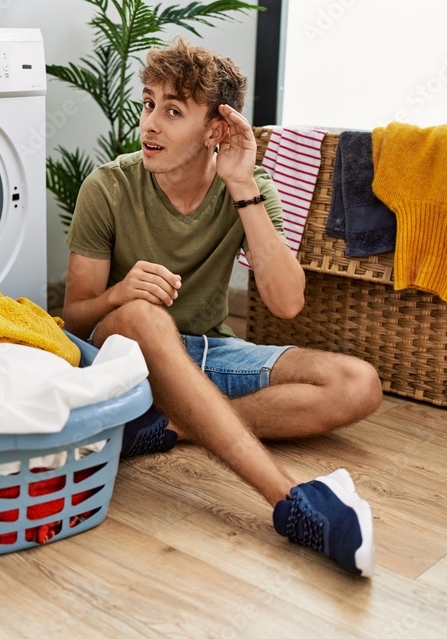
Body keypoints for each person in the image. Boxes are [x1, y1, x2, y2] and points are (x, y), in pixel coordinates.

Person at [61, 38, 383, 577]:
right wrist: (122, 293)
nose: (150, 125)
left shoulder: (248, 187)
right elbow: (73, 318)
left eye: (173, 111)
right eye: (148, 104)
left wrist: (241, 186)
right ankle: (290, 501)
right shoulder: (109, 186)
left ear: (215, 129)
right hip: (124, 355)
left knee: (358, 383)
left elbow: (287, 302)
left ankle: (176, 426)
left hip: (208, 350)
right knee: (145, 316)